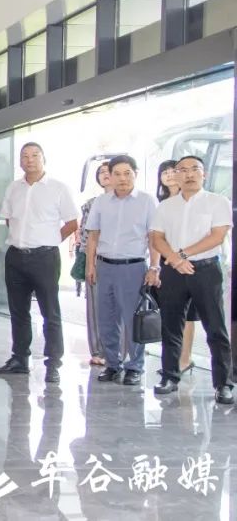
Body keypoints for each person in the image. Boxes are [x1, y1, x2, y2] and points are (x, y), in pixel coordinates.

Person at [0, 142, 78, 385]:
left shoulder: (58, 188)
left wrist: (50, 241)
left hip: (45, 258)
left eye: (34, 155)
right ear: (20, 161)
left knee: (50, 311)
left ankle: (53, 364)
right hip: (16, 256)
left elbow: (72, 223)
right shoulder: (14, 187)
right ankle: (20, 358)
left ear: (43, 158)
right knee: (18, 311)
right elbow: (10, 219)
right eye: (25, 156)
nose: (29, 160)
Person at [150, 155, 234, 404]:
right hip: (173, 270)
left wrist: (183, 255)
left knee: (215, 327)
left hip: (205, 270)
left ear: (204, 174)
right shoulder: (166, 206)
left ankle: (223, 384)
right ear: (175, 175)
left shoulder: (218, 201)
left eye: (194, 169)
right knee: (171, 326)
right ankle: (170, 376)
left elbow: (217, 236)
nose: (189, 174)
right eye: (182, 170)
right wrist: (175, 260)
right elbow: (156, 238)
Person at [84, 155, 158, 387]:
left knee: (133, 319)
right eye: (117, 174)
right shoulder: (101, 202)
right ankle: (112, 364)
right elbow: (93, 236)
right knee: (106, 319)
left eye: (127, 173)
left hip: (133, 267)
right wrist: (90, 265)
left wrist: (154, 267)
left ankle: (135, 367)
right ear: (110, 176)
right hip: (104, 266)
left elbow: (154, 237)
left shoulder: (147, 201)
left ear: (135, 174)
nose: (122, 178)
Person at [156, 159, 197, 374]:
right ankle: (171, 364)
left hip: (190, 262)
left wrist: (180, 257)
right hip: (166, 262)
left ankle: (185, 359)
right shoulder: (161, 203)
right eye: (164, 172)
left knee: (188, 315)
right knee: (171, 314)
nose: (169, 175)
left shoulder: (192, 200)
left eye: (173, 171)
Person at [78, 162, 112, 366]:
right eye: (101, 172)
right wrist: (87, 261)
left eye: (109, 171)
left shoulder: (134, 202)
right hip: (96, 259)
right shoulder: (91, 204)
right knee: (95, 307)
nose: (105, 175)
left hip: (123, 261)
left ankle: (120, 351)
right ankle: (98, 350)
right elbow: (85, 234)